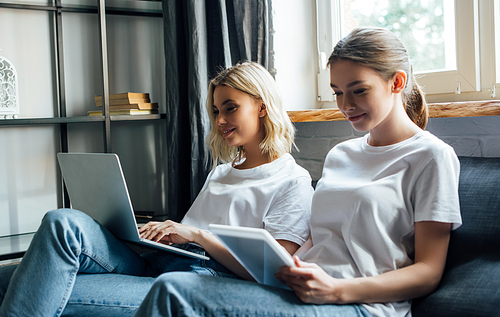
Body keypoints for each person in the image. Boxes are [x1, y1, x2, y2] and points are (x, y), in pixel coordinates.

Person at [134, 27, 462, 317]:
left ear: (397, 82)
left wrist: (336, 290)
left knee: (174, 292)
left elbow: (428, 272)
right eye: (336, 91)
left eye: (358, 90)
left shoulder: (432, 157)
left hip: (358, 304)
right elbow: (320, 241)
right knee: (174, 283)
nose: (345, 104)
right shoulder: (340, 155)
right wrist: (284, 268)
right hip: (300, 289)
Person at [0, 62, 313, 317]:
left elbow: (271, 271)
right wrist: (159, 233)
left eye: (230, 108)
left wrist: (198, 236)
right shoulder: (221, 173)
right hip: (159, 261)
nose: (220, 120)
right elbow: (185, 235)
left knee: (25, 283)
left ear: (262, 107)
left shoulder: (292, 181)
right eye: (216, 111)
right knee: (62, 221)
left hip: (199, 280)